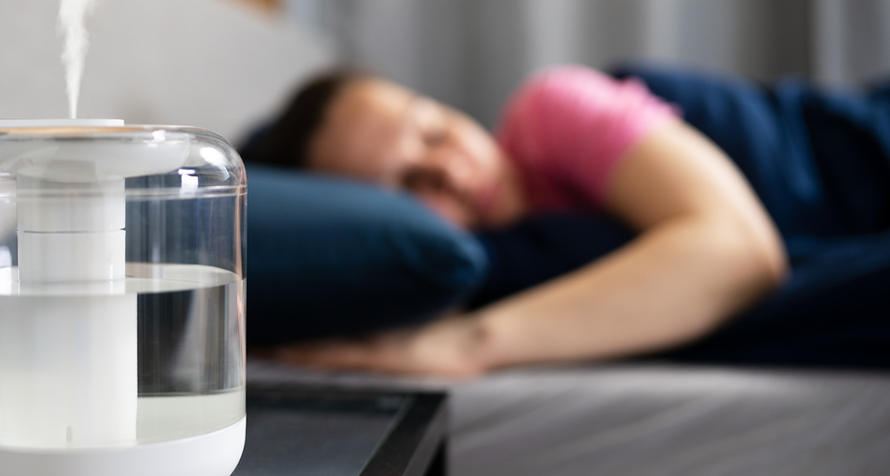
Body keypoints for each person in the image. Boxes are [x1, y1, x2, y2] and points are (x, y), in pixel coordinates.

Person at [244, 65, 788, 377]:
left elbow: (741, 250)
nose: (454, 172)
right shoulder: (456, 273)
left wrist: (467, 344)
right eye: (410, 186)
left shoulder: (548, 111)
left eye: (434, 132)